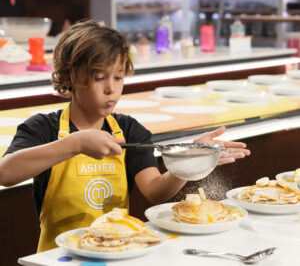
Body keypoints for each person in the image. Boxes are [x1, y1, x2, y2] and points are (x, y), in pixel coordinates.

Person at [0, 20, 250, 252]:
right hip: (59, 256)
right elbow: (6, 173)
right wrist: (75, 143)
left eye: (118, 77)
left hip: (118, 250)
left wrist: (189, 162)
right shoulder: (43, 128)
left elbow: (155, 192)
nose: (111, 88)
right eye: (99, 77)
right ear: (70, 77)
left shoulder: (129, 130)